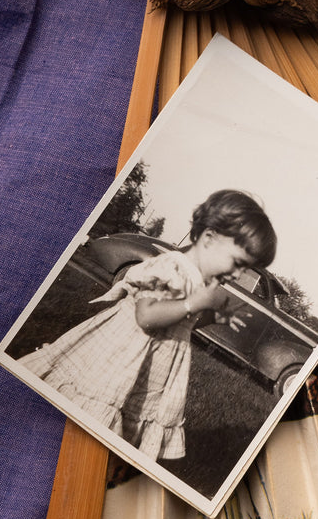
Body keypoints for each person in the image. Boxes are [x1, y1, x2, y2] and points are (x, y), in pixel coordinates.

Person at [20, 189, 277, 460]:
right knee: (86, 409)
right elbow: (147, 316)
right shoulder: (171, 267)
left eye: (244, 269)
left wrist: (215, 316)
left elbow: (180, 324)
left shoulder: (197, 282)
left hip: (150, 366)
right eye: (237, 263)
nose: (237, 274)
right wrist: (195, 303)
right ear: (209, 238)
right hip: (121, 356)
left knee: (111, 423)